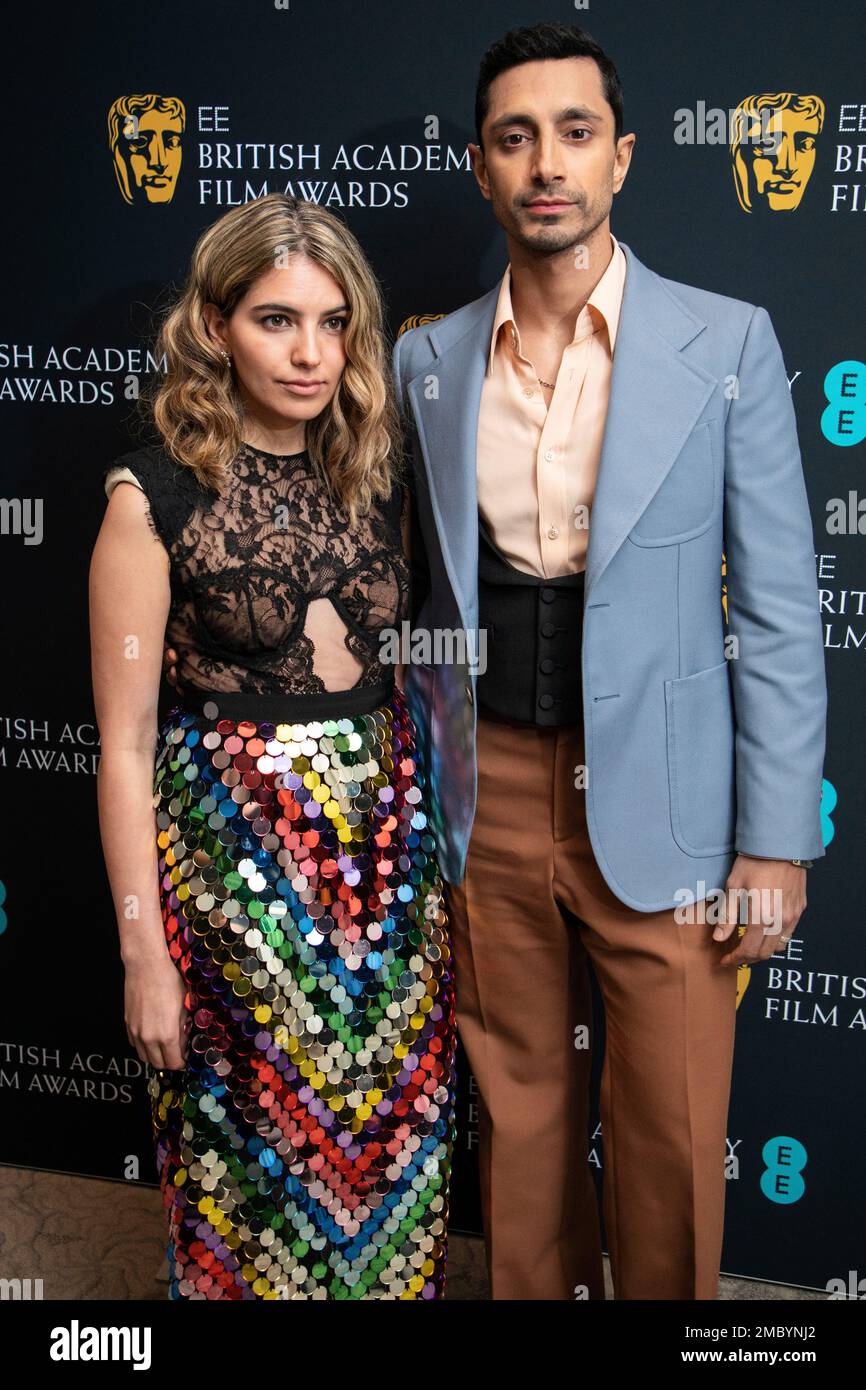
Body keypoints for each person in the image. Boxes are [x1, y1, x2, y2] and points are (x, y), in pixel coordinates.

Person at [390, 23, 827, 1300]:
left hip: (676, 805)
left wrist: (777, 841)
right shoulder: (426, 359)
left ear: (620, 159)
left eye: (573, 133)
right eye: (515, 136)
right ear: (481, 167)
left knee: (674, 1128)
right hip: (496, 795)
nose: (546, 163)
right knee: (518, 1124)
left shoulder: (726, 341)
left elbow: (785, 611)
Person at [90, 192, 456, 1301]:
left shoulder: (379, 471)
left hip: (386, 885)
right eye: (275, 320)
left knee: (393, 1171)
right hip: (230, 891)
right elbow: (122, 745)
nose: (310, 352)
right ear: (213, 325)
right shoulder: (149, 494)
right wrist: (144, 956)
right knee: (248, 1181)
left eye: (333, 322)